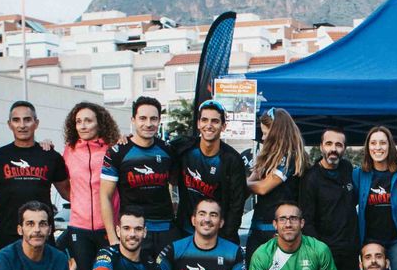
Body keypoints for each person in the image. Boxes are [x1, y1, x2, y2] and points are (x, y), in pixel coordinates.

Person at [0, 100, 69, 259]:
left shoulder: (50, 156)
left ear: (36, 123)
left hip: (41, 233)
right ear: (9, 124)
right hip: (7, 234)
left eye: (27, 119)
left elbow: (68, 193)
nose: (22, 125)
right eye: (16, 120)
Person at [62, 101, 122, 270]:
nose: (83, 125)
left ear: (100, 123)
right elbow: (65, 185)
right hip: (79, 229)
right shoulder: (69, 151)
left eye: (88, 120)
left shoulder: (113, 149)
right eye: (78, 121)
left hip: (108, 228)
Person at [100, 96, 174, 258]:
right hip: (133, 230)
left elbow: (175, 184)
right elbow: (105, 196)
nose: (148, 124)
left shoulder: (168, 150)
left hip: (165, 229)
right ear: (133, 120)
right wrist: (113, 237)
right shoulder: (117, 152)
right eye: (143, 118)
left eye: (153, 119)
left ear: (159, 120)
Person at [175, 99, 248, 241]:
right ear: (198, 123)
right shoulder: (184, 148)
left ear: (223, 126)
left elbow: (237, 204)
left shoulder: (232, 159)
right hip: (186, 233)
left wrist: (226, 237)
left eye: (215, 121)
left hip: (218, 237)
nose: (209, 125)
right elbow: (157, 148)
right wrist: (131, 140)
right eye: (204, 120)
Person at [298, 127, 360, 270]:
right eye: (329, 144)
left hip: (350, 251)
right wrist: (320, 251)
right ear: (321, 147)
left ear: (344, 148)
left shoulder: (347, 168)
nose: (333, 149)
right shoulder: (311, 178)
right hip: (326, 252)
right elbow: (307, 220)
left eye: (339, 145)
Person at [354, 125, 397, 270]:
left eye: (382, 143)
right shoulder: (359, 174)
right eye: (373, 143)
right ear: (368, 147)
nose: (378, 147)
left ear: (390, 146)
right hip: (370, 240)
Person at [245, 108, 308, 254]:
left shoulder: (290, 157)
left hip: (280, 228)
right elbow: (251, 181)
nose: (263, 138)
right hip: (258, 225)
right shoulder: (266, 157)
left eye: (266, 133)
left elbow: (263, 188)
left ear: (276, 133)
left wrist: (239, 183)